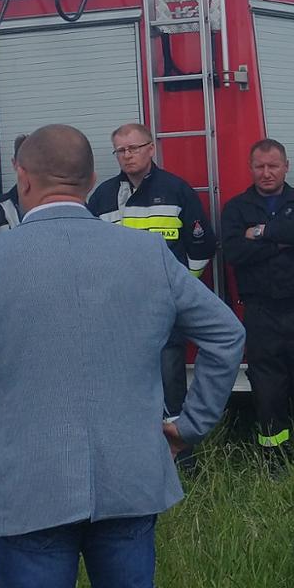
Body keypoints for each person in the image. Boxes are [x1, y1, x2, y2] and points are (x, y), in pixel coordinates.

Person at [0, 124, 245, 588]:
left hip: (21, 482)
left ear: (22, 177)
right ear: (91, 180)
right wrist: (189, 425)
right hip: (128, 475)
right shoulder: (148, 254)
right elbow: (227, 334)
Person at [88, 123, 217, 437]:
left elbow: (201, 245)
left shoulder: (176, 190)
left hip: (163, 308)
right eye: (121, 150)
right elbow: (88, 250)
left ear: (151, 148)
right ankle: (134, 444)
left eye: (134, 148)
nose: (127, 156)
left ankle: (180, 453)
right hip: (118, 310)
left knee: (170, 381)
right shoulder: (103, 196)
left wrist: (181, 289)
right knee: (124, 383)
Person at [218, 139, 294, 462]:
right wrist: (280, 241)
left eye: (273, 166)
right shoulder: (236, 208)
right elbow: (234, 252)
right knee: (267, 388)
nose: (267, 173)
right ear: (250, 168)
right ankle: (275, 459)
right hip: (260, 312)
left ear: (287, 166)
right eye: (260, 166)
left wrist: (257, 233)